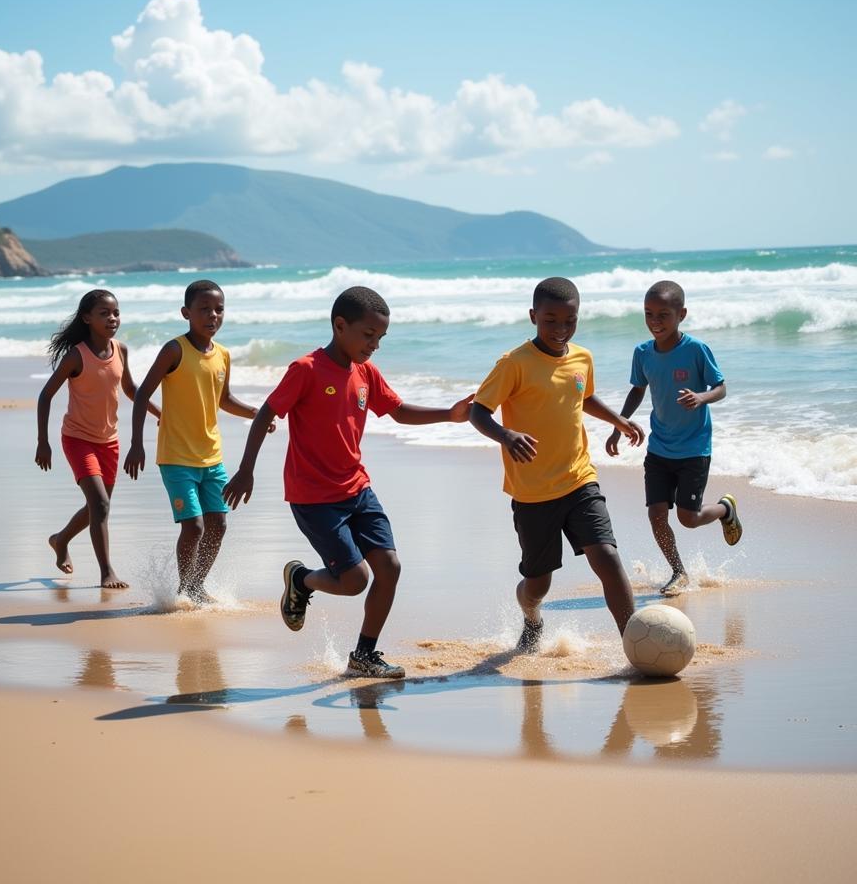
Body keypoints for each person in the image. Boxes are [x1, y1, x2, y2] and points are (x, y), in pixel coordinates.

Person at [223, 285, 472, 679]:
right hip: (314, 498)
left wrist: (451, 414)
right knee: (355, 580)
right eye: (368, 335)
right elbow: (267, 412)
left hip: (357, 489)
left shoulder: (365, 372)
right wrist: (246, 469)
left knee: (389, 567)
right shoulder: (305, 369)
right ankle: (301, 579)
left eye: (381, 338)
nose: (375, 345)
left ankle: (364, 656)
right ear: (340, 326)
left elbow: (398, 411)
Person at [469, 277, 643, 653]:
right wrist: (506, 436)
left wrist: (617, 420)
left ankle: (635, 643)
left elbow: (584, 397)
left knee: (607, 557)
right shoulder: (514, 363)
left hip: (579, 479)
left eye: (570, 320)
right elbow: (478, 411)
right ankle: (532, 618)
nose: (561, 329)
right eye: (551, 320)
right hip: (533, 493)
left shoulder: (582, 357)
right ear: (533, 316)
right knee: (538, 584)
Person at [123, 279, 271, 603]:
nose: (212, 315)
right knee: (194, 526)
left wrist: (257, 414)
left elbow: (225, 399)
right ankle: (183, 588)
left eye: (219, 309)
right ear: (186, 313)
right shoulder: (174, 349)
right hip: (176, 457)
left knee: (217, 524)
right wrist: (137, 443)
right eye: (204, 309)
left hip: (211, 457)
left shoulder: (224, 355)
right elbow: (142, 394)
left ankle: (195, 585)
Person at [605, 279, 742, 596]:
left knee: (688, 519)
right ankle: (678, 572)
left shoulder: (695, 350)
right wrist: (618, 425)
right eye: (648, 314)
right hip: (659, 447)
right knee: (656, 514)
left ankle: (725, 509)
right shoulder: (642, 353)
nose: (655, 322)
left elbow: (720, 387)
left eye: (663, 315)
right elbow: (638, 390)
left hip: (694, 448)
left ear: (681, 314)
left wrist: (701, 397)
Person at [35, 289, 159, 589]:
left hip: (109, 441)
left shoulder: (121, 350)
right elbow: (46, 395)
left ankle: (60, 539)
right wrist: (43, 441)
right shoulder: (76, 356)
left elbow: (131, 389)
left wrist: (160, 413)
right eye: (104, 313)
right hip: (77, 439)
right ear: (87, 318)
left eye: (115, 312)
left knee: (97, 507)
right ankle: (106, 572)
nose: (112, 318)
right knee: (101, 505)